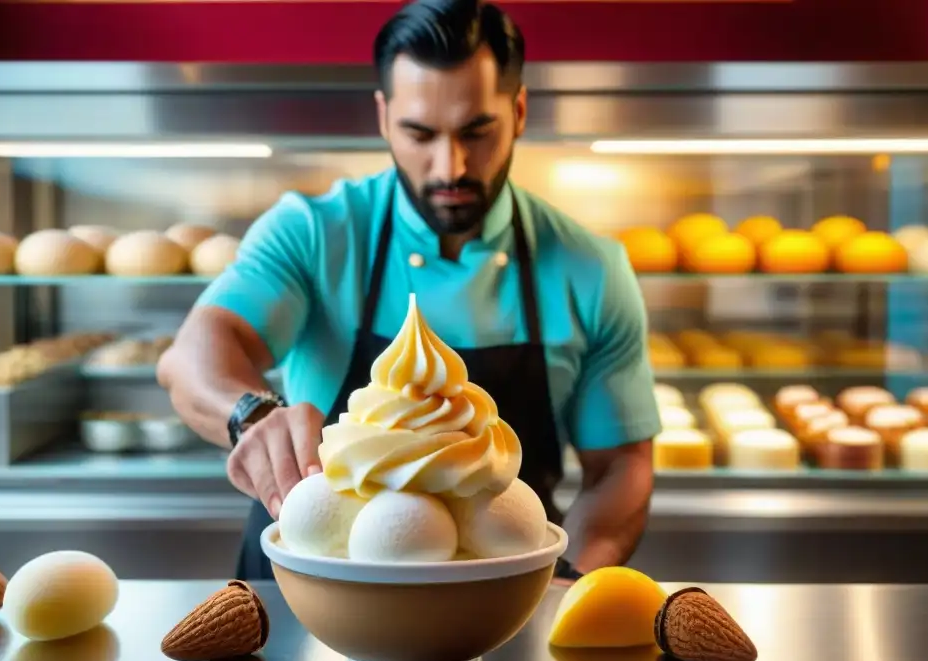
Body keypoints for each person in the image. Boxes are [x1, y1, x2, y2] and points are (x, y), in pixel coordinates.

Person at [157, 0, 660, 583]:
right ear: (383, 117)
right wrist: (250, 412)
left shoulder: (589, 268)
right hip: (309, 599)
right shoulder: (314, 232)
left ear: (519, 112)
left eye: (477, 131)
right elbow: (192, 354)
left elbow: (620, 466)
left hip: (501, 600)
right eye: (419, 133)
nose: (450, 166)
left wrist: (571, 574)